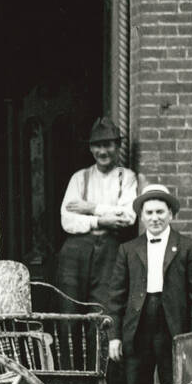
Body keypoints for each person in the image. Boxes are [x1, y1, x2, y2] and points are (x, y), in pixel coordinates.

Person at [107, 184, 192, 384]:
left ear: (170, 214)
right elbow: (116, 297)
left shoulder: (188, 248)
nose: (155, 218)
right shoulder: (128, 250)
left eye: (160, 212)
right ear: (142, 217)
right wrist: (114, 336)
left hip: (173, 327)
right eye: (149, 213)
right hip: (138, 328)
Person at [55, 118, 138, 307]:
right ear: (91, 149)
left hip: (110, 251)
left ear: (117, 147)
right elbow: (67, 220)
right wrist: (100, 221)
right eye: (97, 146)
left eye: (108, 145)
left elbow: (128, 216)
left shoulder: (126, 178)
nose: (102, 151)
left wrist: (91, 208)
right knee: (70, 306)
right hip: (77, 250)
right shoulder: (79, 178)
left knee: (104, 306)